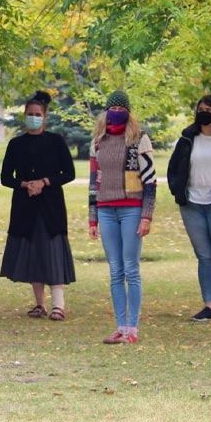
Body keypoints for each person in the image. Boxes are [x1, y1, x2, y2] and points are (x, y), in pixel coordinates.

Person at [0, 92, 76, 321]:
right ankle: (40, 304)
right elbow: (5, 177)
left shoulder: (56, 141)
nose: (34, 118)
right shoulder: (16, 144)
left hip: (51, 206)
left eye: (38, 114)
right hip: (25, 206)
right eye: (30, 114)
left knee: (52, 252)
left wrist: (44, 182)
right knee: (33, 253)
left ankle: (58, 305)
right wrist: (25, 184)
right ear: (25, 116)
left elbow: (69, 173)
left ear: (45, 117)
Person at [88, 91, 156, 344]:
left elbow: (150, 181)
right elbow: (94, 182)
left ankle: (133, 328)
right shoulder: (97, 141)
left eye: (121, 107)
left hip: (132, 209)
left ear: (128, 112)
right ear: (105, 112)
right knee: (115, 270)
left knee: (131, 268)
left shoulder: (139, 139)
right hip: (106, 209)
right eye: (112, 107)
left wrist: (146, 215)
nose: (116, 111)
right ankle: (120, 326)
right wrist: (92, 218)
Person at [167, 96, 211, 321]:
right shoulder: (188, 138)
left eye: (208, 109)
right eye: (200, 109)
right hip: (192, 206)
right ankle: (209, 306)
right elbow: (174, 168)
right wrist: (177, 190)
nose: (203, 113)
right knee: (205, 256)